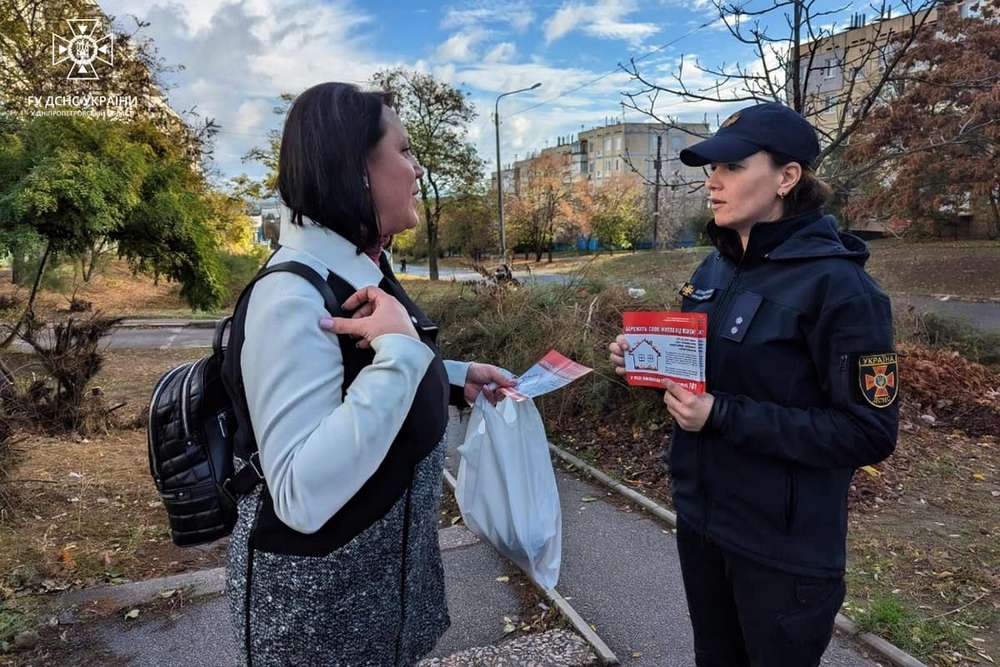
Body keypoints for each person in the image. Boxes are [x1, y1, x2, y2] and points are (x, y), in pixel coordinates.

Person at [225, 82, 514, 666]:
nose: (416, 168)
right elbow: (301, 493)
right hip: (319, 616)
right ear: (357, 169)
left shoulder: (362, 267)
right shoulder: (291, 294)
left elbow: (360, 371)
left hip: (385, 591)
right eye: (404, 151)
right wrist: (408, 359)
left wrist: (453, 378)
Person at [608, 102, 899, 666]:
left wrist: (721, 414)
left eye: (733, 167)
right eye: (710, 169)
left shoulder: (842, 290)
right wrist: (647, 362)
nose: (712, 183)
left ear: (787, 178)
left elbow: (868, 433)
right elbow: (706, 376)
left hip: (782, 552)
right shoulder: (714, 269)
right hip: (703, 524)